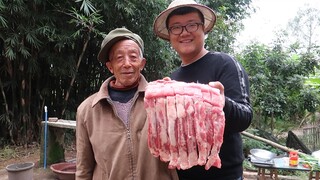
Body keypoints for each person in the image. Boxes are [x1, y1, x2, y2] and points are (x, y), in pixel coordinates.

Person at [153, 0, 253, 180]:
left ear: (203, 29)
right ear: (169, 34)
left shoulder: (225, 64)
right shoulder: (173, 79)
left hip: (224, 175)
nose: (184, 32)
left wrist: (222, 103)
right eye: (176, 27)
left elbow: (245, 117)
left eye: (192, 25)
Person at [75, 27, 178, 180]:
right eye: (119, 58)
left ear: (142, 63)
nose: (127, 64)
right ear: (110, 67)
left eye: (133, 57)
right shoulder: (88, 110)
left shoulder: (162, 100)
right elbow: (84, 169)